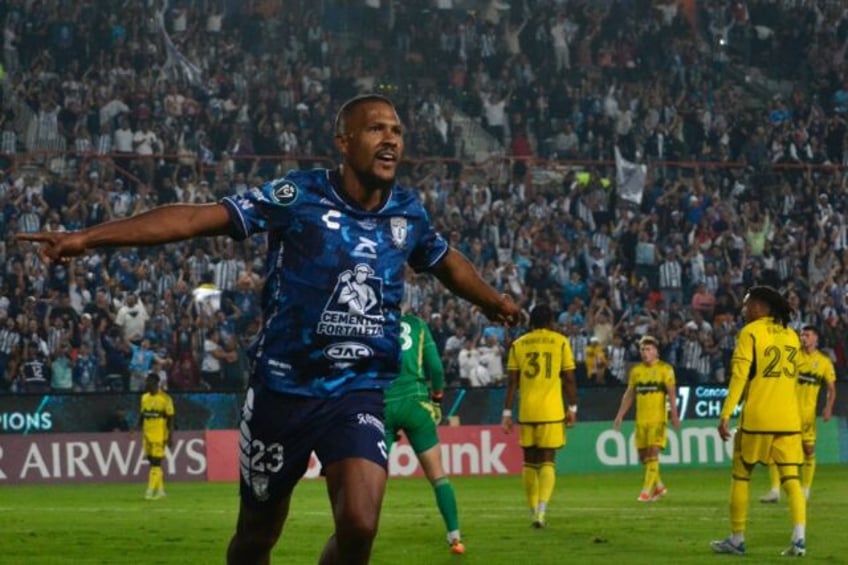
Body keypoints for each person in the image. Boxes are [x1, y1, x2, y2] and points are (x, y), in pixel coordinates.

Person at [19, 93, 519, 565]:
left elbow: (446, 262)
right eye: (374, 129)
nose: (390, 139)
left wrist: (491, 300)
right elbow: (196, 219)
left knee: (360, 526)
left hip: (359, 392)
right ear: (344, 142)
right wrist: (88, 238)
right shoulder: (298, 195)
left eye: (396, 131)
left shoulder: (407, 213)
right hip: (283, 391)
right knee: (257, 535)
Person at [710, 286, 807, 557]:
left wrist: (726, 413)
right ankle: (799, 539)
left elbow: (739, 376)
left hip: (758, 417)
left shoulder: (750, 332)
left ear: (758, 307)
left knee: (741, 475)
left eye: (747, 305)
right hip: (788, 418)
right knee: (791, 479)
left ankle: (737, 539)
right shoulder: (791, 335)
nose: (744, 310)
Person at [384, 311, 464, 555]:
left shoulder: (370, 324)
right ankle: (455, 538)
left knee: (370, 479)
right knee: (438, 476)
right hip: (416, 403)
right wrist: (437, 399)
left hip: (382, 404)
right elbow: (437, 369)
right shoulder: (418, 325)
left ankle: (355, 535)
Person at [502, 304, 577, 529]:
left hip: (527, 411)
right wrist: (572, 407)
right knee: (547, 460)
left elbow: (512, 383)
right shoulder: (561, 342)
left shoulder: (518, 345)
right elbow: (569, 378)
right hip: (551, 411)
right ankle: (542, 511)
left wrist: (507, 413)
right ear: (551, 322)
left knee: (529, 461)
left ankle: (533, 508)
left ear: (531, 322)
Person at [760, 324, 836, 503]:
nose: (803, 338)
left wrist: (828, 407)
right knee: (774, 448)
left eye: (807, 335)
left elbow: (831, 389)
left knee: (808, 450)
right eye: (802, 335)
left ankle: (806, 488)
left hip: (807, 415)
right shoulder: (792, 357)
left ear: (815, 338)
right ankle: (775, 490)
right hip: (787, 410)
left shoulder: (824, 362)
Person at [613, 335, 681, 501]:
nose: (645, 352)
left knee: (653, 453)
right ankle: (659, 487)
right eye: (643, 349)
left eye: (648, 349)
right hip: (641, 420)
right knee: (643, 458)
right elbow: (629, 395)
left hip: (657, 419)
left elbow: (672, 393)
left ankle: (646, 491)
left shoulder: (665, 369)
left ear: (656, 351)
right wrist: (620, 415)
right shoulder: (636, 371)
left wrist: (674, 414)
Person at [137, 372, 175, 500]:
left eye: (148, 382)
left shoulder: (165, 399)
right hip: (146, 435)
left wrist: (169, 436)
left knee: (156, 463)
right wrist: (134, 428)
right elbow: (143, 415)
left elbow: (170, 418)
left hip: (159, 435)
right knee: (152, 462)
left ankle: (150, 490)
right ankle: (161, 490)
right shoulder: (144, 398)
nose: (146, 384)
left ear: (155, 383)